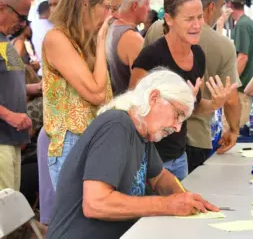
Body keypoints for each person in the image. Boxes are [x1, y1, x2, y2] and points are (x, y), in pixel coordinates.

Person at [46, 69, 219, 239]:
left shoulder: (143, 133)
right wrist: (168, 204)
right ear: (154, 98)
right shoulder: (117, 126)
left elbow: (159, 178)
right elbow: (95, 203)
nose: (177, 127)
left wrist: (183, 196)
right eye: (177, 115)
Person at [129, 0, 235, 180]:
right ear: (169, 20)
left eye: (199, 17)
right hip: (151, 161)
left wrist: (215, 104)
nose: (197, 25)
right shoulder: (151, 56)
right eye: (189, 19)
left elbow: (194, 108)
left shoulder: (198, 55)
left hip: (179, 157)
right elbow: (132, 111)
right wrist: (173, 105)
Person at [42, 0, 113, 190]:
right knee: (78, 220)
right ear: (85, 3)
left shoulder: (85, 41)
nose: (110, 14)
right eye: (107, 7)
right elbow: (96, 94)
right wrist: (102, 41)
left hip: (94, 138)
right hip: (72, 141)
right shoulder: (57, 38)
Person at [184, 0, 241, 172]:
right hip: (196, 136)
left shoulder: (157, 29)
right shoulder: (222, 44)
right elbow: (231, 99)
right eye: (222, 4)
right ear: (211, 7)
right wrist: (233, 129)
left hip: (157, 135)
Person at [0, 0, 32, 191]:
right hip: (2, 139)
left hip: (13, 139)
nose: (22, 24)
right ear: (2, 7)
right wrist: (9, 115)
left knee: (12, 210)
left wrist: (44, 86)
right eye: (21, 17)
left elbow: (18, 83)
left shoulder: (5, 42)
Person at [225, 0, 253, 127]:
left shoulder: (242, 24)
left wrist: (231, 83)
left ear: (229, 5)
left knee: (236, 127)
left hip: (243, 87)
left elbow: (243, 57)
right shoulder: (247, 23)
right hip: (247, 85)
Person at [106, 0, 150, 96]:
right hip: (124, 108)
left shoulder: (108, 29)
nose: (149, 9)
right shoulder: (132, 38)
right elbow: (141, 89)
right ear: (135, 5)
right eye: (147, 3)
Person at [31, 0, 64, 77]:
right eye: (51, 5)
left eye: (56, 4)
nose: (52, 9)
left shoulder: (80, 30)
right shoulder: (53, 32)